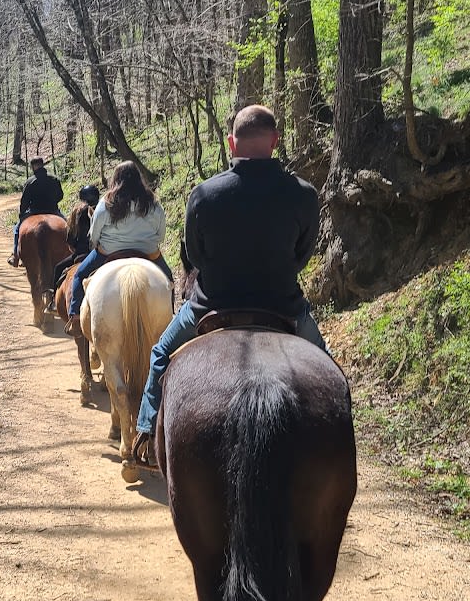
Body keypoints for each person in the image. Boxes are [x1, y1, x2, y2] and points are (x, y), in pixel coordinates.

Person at [133, 103, 328, 464]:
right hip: (284, 306)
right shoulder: (303, 194)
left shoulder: (204, 195)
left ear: (231, 143)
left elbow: (195, 256)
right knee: (331, 376)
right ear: (275, 141)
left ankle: (145, 431)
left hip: (211, 306)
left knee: (160, 353)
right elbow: (302, 257)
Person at [65, 162, 171, 331]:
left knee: (79, 274)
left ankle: (76, 317)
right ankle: (171, 319)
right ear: (139, 179)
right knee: (168, 280)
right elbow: (161, 234)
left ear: (115, 179)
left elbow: (94, 235)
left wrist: (100, 244)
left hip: (108, 252)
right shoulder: (152, 202)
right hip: (148, 252)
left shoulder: (106, 203)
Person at [8, 157, 64, 265]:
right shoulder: (54, 179)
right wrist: (53, 202)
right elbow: (60, 196)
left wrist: (22, 214)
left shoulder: (30, 181)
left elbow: (24, 201)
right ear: (42, 165)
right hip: (52, 210)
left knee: (17, 229)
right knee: (67, 226)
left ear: (33, 167)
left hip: (34, 211)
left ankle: (15, 255)